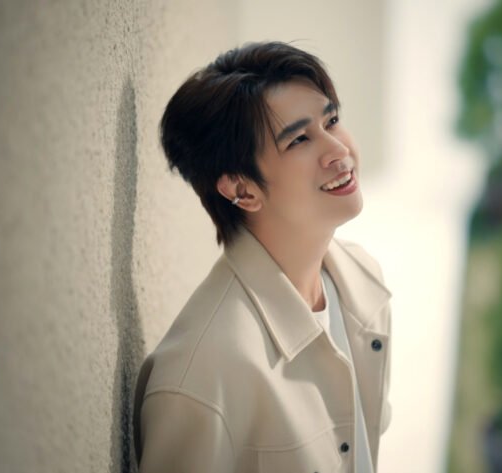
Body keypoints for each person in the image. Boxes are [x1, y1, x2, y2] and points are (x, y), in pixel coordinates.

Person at [134, 41, 392, 473]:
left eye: (331, 120)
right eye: (300, 139)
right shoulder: (202, 374)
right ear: (242, 189)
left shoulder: (363, 283)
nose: (338, 150)